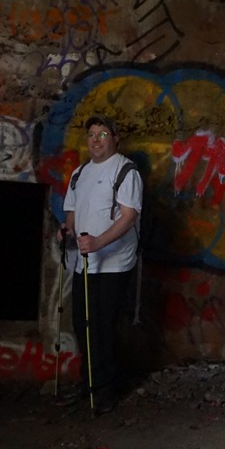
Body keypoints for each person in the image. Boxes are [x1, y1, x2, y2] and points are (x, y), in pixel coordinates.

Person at [59, 114, 143, 415]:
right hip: (85, 263)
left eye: (103, 134)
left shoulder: (125, 171)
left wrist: (98, 243)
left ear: (115, 138)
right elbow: (71, 210)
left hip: (114, 264)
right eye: (92, 134)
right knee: (82, 325)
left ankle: (106, 388)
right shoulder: (80, 173)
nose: (96, 140)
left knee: (104, 326)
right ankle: (89, 381)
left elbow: (128, 215)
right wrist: (67, 228)